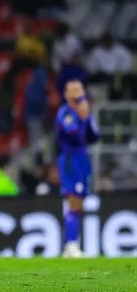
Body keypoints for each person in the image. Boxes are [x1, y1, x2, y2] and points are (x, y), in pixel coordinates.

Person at [55, 79, 99, 259]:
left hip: (82, 159)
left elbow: (94, 137)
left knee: (79, 202)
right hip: (70, 160)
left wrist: (87, 119)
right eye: (72, 89)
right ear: (66, 95)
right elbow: (72, 133)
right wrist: (81, 118)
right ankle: (71, 245)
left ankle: (71, 244)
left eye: (79, 88)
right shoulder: (65, 113)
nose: (76, 92)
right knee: (73, 201)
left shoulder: (85, 113)